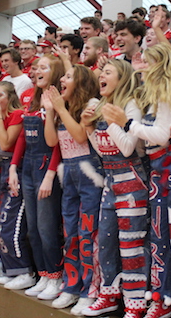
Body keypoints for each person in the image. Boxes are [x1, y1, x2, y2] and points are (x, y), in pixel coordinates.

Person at [112, 43, 171, 318]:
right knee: (159, 235)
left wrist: (127, 124)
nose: (141, 68)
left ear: (160, 65)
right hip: (159, 166)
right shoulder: (152, 95)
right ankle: (163, 297)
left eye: (146, 63)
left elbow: (162, 134)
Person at [80, 59, 149, 318]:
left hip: (132, 182)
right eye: (102, 72)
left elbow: (128, 148)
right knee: (106, 241)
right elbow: (103, 153)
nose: (102, 76)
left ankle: (135, 303)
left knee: (130, 245)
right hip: (110, 180)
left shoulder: (130, 104)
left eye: (108, 72)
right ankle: (108, 294)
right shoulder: (100, 106)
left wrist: (109, 121)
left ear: (122, 78)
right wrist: (89, 129)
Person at [42, 65, 104, 314]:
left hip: (91, 174)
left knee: (88, 233)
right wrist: (50, 112)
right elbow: (50, 141)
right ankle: (71, 285)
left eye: (68, 77)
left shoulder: (91, 103)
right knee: (71, 234)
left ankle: (90, 290)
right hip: (69, 173)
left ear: (80, 82)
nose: (62, 80)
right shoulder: (62, 108)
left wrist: (58, 108)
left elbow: (80, 136)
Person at [9, 55, 64, 301]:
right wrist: (13, 167)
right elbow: (22, 136)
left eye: (44, 67)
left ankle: (55, 275)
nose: (37, 70)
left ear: (55, 71)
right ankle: (43, 274)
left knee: (47, 228)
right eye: (36, 66)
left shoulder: (59, 97)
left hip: (46, 165)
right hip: (28, 166)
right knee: (32, 229)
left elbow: (59, 143)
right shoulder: (29, 96)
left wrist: (50, 175)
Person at [0, 82, 34, 289]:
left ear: (10, 96)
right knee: (1, 222)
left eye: (0, 95)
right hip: (2, 170)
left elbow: (6, 144)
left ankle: (25, 271)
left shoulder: (16, 115)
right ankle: (10, 268)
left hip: (18, 170)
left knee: (11, 224)